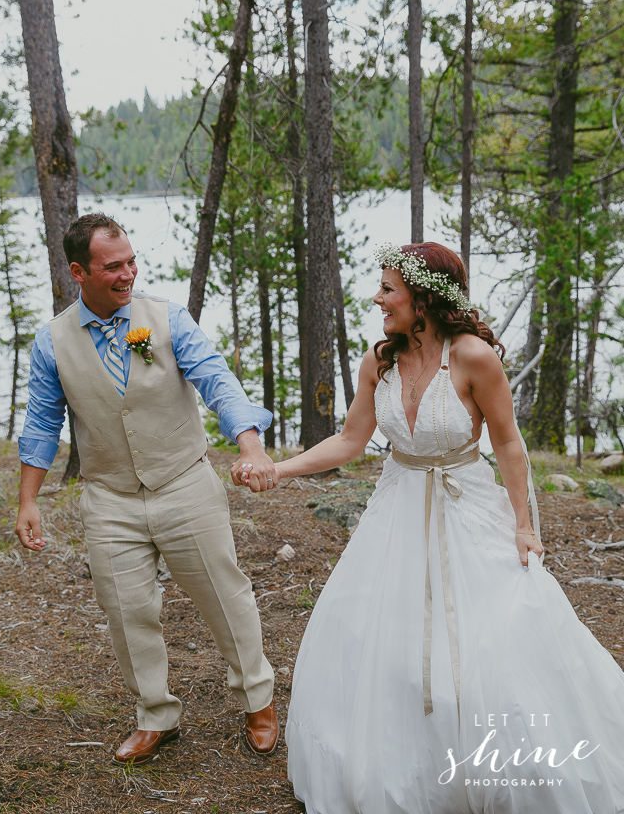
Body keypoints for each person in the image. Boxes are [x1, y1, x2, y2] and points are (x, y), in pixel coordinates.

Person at [235, 241, 624, 814]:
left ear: (423, 298)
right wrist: (280, 469)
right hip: (396, 509)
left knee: (492, 637)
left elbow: (510, 444)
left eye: (388, 289)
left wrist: (523, 524)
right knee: (381, 635)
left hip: (467, 507)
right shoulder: (380, 362)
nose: (378, 299)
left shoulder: (473, 357)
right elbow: (350, 440)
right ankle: (404, 765)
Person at [15, 213, 280, 765]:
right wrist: (28, 500)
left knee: (223, 593)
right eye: (113, 266)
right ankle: (155, 715)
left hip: (183, 481)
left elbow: (216, 379)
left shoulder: (166, 319)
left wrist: (250, 444)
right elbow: (42, 421)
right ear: (78, 271)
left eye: (131, 261)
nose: (128, 273)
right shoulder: (53, 342)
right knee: (126, 608)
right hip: (109, 497)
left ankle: (257, 698)